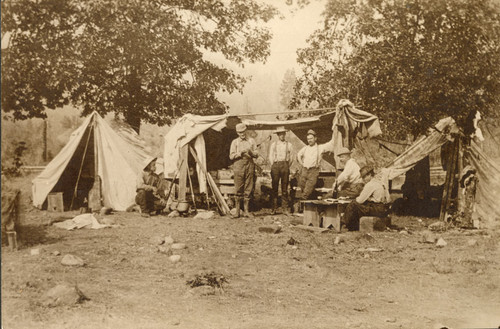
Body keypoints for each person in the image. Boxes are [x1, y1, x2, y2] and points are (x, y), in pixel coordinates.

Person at [343, 165, 391, 231]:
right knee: (360, 207)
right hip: (385, 208)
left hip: (377, 209)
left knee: (353, 205)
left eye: (364, 177)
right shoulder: (380, 182)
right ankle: (353, 226)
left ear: (369, 175)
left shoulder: (370, 184)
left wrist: (354, 199)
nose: (363, 179)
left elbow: (360, 200)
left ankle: (346, 225)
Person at [296, 129, 334, 201]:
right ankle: (304, 202)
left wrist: (335, 132)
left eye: (311, 138)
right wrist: (302, 163)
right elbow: (298, 155)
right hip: (304, 170)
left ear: (315, 138)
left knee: (309, 187)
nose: (309, 140)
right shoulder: (305, 148)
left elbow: (331, 144)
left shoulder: (320, 148)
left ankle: (302, 201)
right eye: (308, 139)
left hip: (313, 170)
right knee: (301, 185)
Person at [229, 123, 258, 218]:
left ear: (246, 130)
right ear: (237, 132)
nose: (242, 134)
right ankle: (237, 212)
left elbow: (256, 154)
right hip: (238, 165)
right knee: (238, 188)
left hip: (249, 165)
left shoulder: (251, 141)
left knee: (248, 187)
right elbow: (231, 156)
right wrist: (240, 153)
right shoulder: (235, 142)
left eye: (243, 131)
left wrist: (251, 152)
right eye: (240, 132)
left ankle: (246, 211)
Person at [268, 126, 294, 215]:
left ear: (285, 134)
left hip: (285, 166)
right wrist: (273, 165)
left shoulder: (289, 145)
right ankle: (273, 208)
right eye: (280, 134)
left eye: (283, 134)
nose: (282, 136)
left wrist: (286, 166)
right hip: (276, 166)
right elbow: (270, 156)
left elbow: (291, 158)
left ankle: (284, 209)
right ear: (278, 135)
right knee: (274, 187)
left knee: (285, 188)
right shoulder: (274, 145)